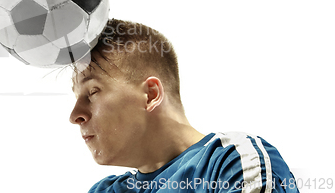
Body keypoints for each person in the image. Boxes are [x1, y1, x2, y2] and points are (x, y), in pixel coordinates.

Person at [69, 18, 299, 193]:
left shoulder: (233, 161)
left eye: (92, 92)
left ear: (150, 95)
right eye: (76, 97)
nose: (74, 115)